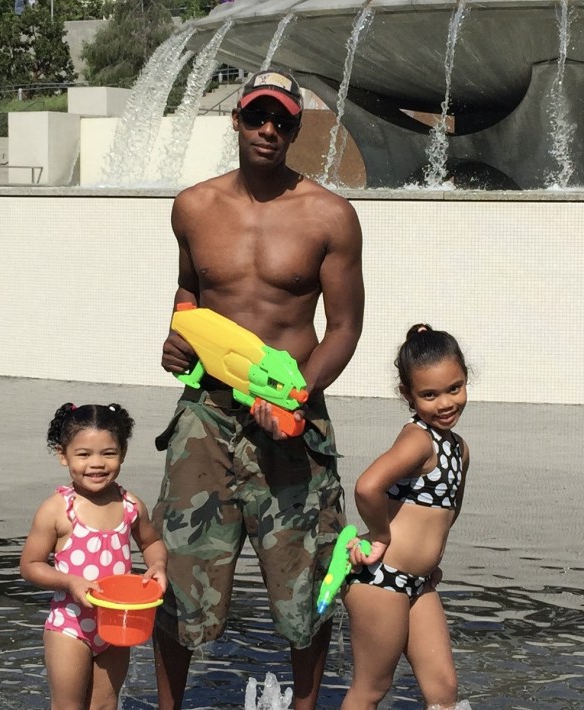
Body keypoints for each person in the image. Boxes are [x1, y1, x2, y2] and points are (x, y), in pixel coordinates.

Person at [152, 69, 365, 710]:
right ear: (237, 121)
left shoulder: (330, 214)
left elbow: (345, 327)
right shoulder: (193, 206)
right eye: (257, 117)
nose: (269, 130)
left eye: (282, 121)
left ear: (296, 129)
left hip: (291, 417)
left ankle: (302, 707)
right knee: (181, 575)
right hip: (207, 417)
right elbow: (192, 292)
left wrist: (296, 397)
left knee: (305, 579)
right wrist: (178, 338)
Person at [340, 324, 471, 710]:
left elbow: (449, 510)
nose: (445, 403)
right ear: (408, 395)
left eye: (454, 388)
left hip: (419, 582)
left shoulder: (458, 448)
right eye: (429, 395)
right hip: (380, 578)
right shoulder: (419, 439)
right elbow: (367, 486)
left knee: (443, 691)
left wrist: (432, 559)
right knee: (372, 689)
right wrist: (379, 535)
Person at [20, 402, 168, 710]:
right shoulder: (58, 510)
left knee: (104, 705)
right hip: (70, 626)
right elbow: (30, 566)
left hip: (117, 625)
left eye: (108, 453)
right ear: (63, 455)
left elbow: (151, 542)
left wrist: (157, 565)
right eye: (84, 454)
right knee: (68, 706)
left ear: (123, 453)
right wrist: (70, 581)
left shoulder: (130, 505)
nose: (96, 464)